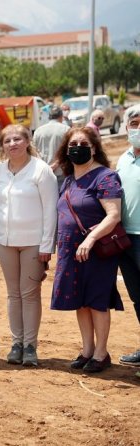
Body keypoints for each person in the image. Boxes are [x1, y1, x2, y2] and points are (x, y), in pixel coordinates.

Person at [51, 126, 124, 373]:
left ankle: (101, 353)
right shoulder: (68, 179)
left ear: (94, 149)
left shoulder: (106, 177)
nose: (78, 148)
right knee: (80, 301)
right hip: (71, 251)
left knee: (96, 301)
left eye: (84, 144)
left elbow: (113, 215)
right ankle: (87, 350)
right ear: (66, 150)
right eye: (73, 145)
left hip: (96, 251)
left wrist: (90, 239)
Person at [0, 125, 58, 366]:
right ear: (2, 145)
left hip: (33, 243)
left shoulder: (41, 170)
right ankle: (16, 344)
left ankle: (30, 346)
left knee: (29, 294)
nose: (13, 144)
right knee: (13, 294)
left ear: (27, 141)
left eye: (17, 139)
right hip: (5, 242)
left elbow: (50, 210)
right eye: (7, 140)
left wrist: (46, 245)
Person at [116, 108, 140, 367]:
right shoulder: (123, 159)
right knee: (137, 297)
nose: (138, 128)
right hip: (125, 239)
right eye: (134, 123)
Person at [33, 105, 70, 187]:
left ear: (49, 117)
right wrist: (55, 165)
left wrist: (47, 167)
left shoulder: (38, 131)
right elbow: (68, 151)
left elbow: (34, 151)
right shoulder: (66, 129)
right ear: (61, 116)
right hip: (61, 172)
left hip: (43, 172)